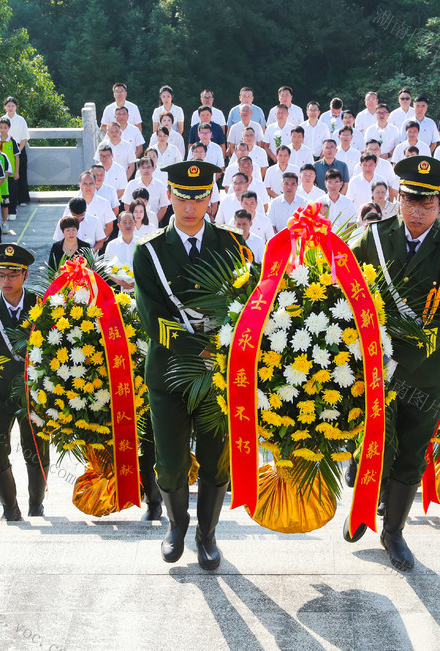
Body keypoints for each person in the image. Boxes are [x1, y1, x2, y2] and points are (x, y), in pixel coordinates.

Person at [346, 155, 440, 572]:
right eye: (410, 201)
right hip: (375, 366)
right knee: (373, 439)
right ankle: (362, 509)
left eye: (427, 203)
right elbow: (346, 292)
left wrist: (397, 362)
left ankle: (394, 531)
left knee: (412, 452)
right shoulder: (373, 239)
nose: (417, 211)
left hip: (425, 372)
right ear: (397, 199)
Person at [132, 161, 253, 571]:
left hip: (218, 376)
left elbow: (248, 307)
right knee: (169, 459)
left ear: (211, 198)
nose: (190, 205)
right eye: (183, 196)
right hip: (169, 373)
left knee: (218, 457)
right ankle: (176, 526)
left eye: (199, 196)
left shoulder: (234, 246)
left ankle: (207, 535)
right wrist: (201, 348)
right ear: (170, 195)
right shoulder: (148, 251)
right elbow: (152, 318)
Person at [0, 243, 47, 521]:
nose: (6, 280)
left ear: (25, 275)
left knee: (36, 450)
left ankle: (36, 504)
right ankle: (10, 508)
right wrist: (12, 374)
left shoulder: (40, 304)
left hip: (34, 393)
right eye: (1, 275)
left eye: (13, 275)